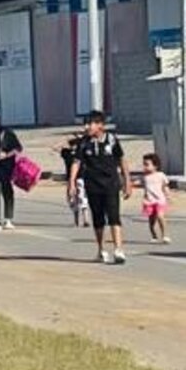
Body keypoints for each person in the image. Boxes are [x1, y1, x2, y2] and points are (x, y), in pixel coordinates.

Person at [68, 110, 131, 265]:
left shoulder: (112, 140)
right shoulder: (84, 143)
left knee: (114, 216)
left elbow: (122, 160)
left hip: (111, 184)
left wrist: (127, 182)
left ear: (101, 125)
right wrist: (71, 183)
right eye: (87, 124)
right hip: (92, 185)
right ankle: (101, 249)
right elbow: (76, 163)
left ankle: (118, 249)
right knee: (98, 218)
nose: (88, 127)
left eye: (91, 123)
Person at [139, 153, 172, 244]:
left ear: (155, 166)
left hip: (160, 200)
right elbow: (139, 184)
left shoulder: (161, 175)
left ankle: (165, 235)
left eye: (147, 164)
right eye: (144, 164)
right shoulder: (144, 177)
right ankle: (154, 235)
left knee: (160, 216)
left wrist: (168, 195)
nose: (145, 167)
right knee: (151, 221)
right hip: (149, 201)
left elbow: (165, 186)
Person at [58, 135, 90, 227]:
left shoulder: (71, 152)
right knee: (78, 199)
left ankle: (82, 220)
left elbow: (55, 147)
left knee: (78, 199)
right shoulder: (71, 152)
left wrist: (65, 140)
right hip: (77, 178)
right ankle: (81, 220)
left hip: (77, 178)